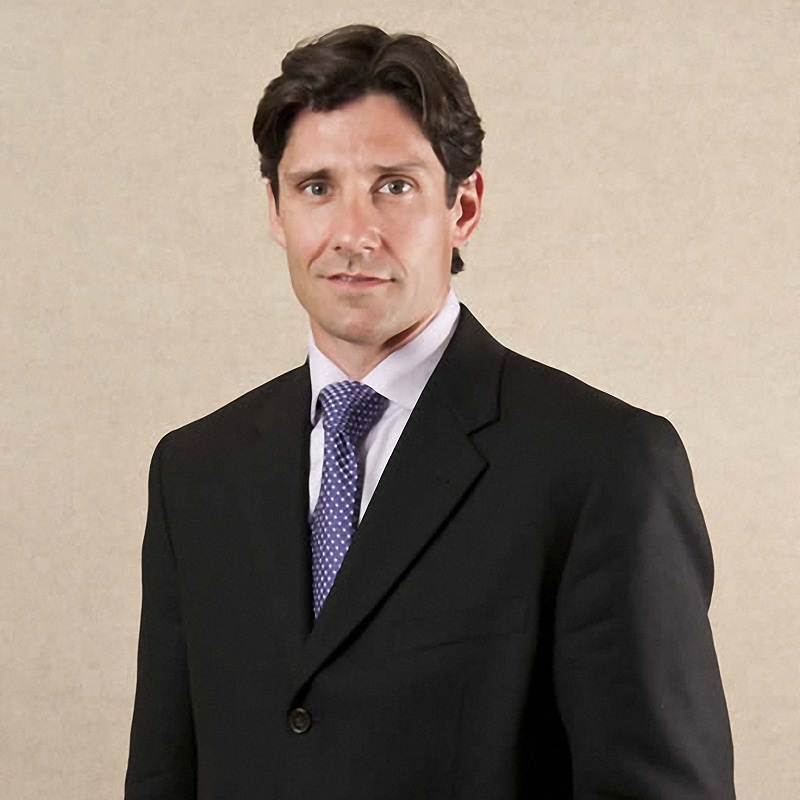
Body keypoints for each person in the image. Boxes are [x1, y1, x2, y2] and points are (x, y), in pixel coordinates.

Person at [124, 24, 736, 800]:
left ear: (464, 206)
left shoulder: (605, 464)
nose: (352, 233)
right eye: (316, 188)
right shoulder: (194, 472)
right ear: (276, 211)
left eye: (394, 186)